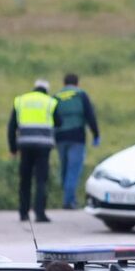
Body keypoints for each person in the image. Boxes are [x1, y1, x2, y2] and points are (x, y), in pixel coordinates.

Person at [8, 78, 58, 223]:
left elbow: (12, 127)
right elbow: (59, 121)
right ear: (46, 90)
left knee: (25, 180)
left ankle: (23, 213)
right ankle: (40, 213)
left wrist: (12, 148)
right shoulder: (50, 102)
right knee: (41, 180)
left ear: (34, 87)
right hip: (43, 147)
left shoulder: (21, 101)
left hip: (25, 146)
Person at [53, 73, 100, 210]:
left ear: (64, 83)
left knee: (64, 168)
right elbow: (90, 115)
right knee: (73, 169)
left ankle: (67, 196)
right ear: (77, 83)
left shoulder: (56, 96)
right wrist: (96, 134)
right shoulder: (80, 95)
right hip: (77, 137)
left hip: (60, 137)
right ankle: (69, 201)